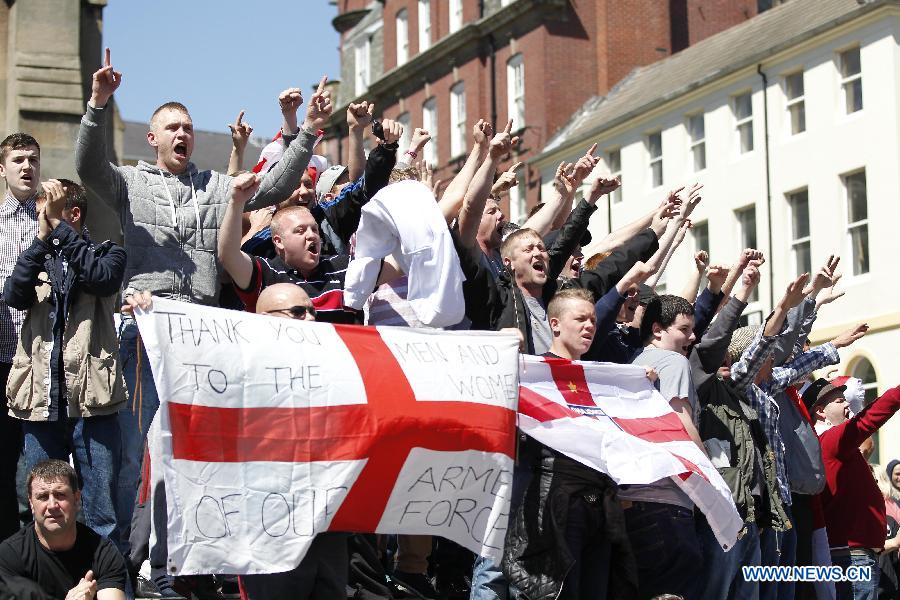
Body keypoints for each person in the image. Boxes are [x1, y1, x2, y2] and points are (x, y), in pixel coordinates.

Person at [74, 48, 332, 560]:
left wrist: (307, 132)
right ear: (153, 139)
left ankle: (179, 561)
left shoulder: (215, 187)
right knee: (135, 452)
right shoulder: (132, 181)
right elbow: (87, 167)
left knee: (194, 453)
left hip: (201, 336)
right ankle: (124, 563)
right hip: (144, 330)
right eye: (171, 127)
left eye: (188, 127)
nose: (182, 134)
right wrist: (98, 104)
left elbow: (277, 187)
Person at [2, 179, 126, 549]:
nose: (40, 220)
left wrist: (60, 231)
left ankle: (111, 586)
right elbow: (14, 294)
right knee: (40, 506)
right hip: (41, 398)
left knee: (102, 510)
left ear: (72, 214)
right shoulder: (38, 256)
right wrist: (42, 242)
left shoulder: (107, 253)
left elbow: (102, 280)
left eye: (46, 212)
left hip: (93, 399)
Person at [503, 288, 639, 600]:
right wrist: (504, 349)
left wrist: (640, 385)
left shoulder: (598, 379)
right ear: (554, 324)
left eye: (592, 319)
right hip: (554, 507)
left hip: (602, 511)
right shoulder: (531, 373)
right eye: (580, 319)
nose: (589, 326)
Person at [237, 283, 348, 600]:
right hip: (271, 526)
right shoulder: (237, 370)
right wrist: (151, 312)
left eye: (313, 311)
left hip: (327, 524)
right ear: (264, 320)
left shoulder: (338, 366)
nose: (311, 320)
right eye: (298, 312)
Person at [805, 379, 900, 599]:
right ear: (820, 412)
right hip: (850, 557)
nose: (847, 405)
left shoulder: (829, 443)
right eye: (839, 401)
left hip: (851, 554)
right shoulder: (829, 440)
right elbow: (868, 419)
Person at [0, 459, 127, 599]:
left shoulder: (103, 553)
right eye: (43, 497)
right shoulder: (9, 556)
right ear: (31, 503)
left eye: (60, 495)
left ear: (77, 499)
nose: (52, 505)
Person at [0, 132, 42, 540]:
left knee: (38, 466)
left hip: (41, 362)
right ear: (3, 168)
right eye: (18, 160)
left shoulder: (54, 223)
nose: (27, 166)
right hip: (2, 356)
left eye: (33, 159)